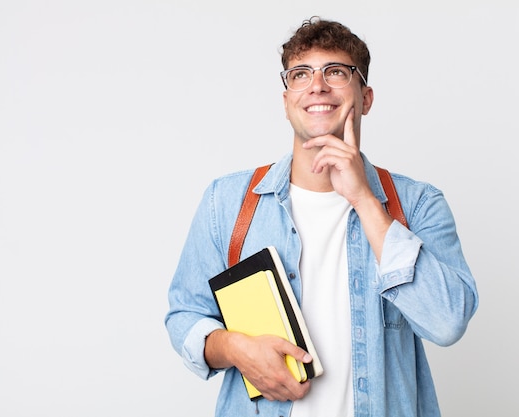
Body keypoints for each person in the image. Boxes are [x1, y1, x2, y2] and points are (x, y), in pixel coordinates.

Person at [165, 16, 478, 417]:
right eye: (301, 74)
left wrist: (363, 199)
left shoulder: (417, 205)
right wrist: (236, 348)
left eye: (336, 72)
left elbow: (448, 321)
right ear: (286, 101)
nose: (317, 85)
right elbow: (184, 317)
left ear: (365, 98)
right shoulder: (226, 203)